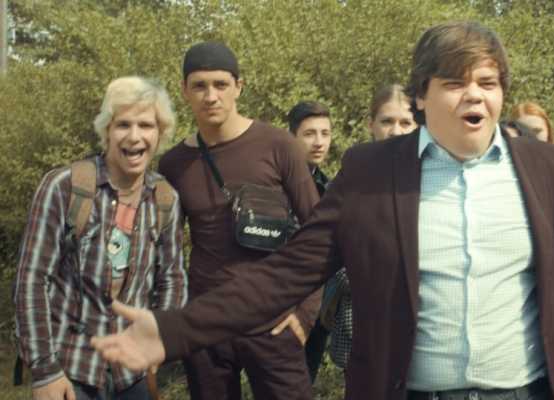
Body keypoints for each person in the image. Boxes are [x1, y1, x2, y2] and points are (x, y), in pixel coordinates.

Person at [93, 22, 554, 400]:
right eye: (455, 83)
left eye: (488, 82)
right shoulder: (372, 173)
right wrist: (173, 331)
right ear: (421, 96)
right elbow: (284, 274)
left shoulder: (548, 169)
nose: (475, 95)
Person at [156, 42, 320, 400]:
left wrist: (305, 314)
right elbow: (163, 252)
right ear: (184, 91)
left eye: (220, 84)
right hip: (207, 325)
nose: (210, 96)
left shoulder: (278, 146)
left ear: (239, 87)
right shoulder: (173, 164)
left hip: (274, 322)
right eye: (199, 86)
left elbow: (320, 233)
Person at [14, 76, 187, 400]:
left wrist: (159, 340)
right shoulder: (65, 186)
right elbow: (32, 280)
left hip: (131, 374)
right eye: (123, 124)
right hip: (69, 371)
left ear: (160, 132)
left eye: (146, 125)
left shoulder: (165, 198)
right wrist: (44, 371)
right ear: (107, 130)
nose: (134, 136)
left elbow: (172, 278)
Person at [286, 100, 333, 383]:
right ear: (292, 137)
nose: (319, 142)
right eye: (309, 133)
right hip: (276, 307)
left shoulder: (331, 188)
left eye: (325, 133)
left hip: (316, 312)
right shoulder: (275, 184)